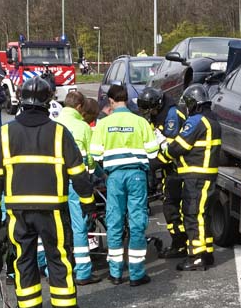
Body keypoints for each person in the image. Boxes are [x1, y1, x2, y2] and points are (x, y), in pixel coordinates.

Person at [0, 76, 95, 308]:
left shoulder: (6, 133)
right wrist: (88, 204)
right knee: (59, 261)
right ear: (49, 101)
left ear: (21, 100)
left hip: (18, 213)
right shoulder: (59, 132)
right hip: (53, 211)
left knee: (23, 261)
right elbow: (79, 174)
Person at [90, 84, 159, 286]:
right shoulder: (140, 122)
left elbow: (94, 155)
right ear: (126, 100)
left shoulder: (103, 124)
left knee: (114, 222)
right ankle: (137, 274)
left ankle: (115, 273)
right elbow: (153, 152)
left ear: (111, 101)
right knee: (137, 221)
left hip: (114, 178)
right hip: (136, 175)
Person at [164, 84, 221, 271]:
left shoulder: (196, 121)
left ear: (193, 103)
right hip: (207, 176)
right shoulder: (213, 121)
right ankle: (207, 252)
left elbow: (178, 147)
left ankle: (196, 256)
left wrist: (162, 155)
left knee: (192, 215)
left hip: (195, 177)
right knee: (204, 216)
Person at [56, 90, 101, 286]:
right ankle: (83, 272)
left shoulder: (53, 124)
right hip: (77, 182)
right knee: (79, 225)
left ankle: (52, 269)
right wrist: (94, 174)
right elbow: (91, 158)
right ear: (80, 107)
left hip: (55, 181)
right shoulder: (83, 127)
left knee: (55, 225)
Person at [138, 87, 188, 258]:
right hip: (170, 169)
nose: (148, 113)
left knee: (172, 207)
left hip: (178, 168)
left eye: (149, 109)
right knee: (172, 206)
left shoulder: (172, 115)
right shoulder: (158, 113)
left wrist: (152, 163)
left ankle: (180, 244)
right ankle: (181, 243)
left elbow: (171, 148)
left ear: (157, 105)